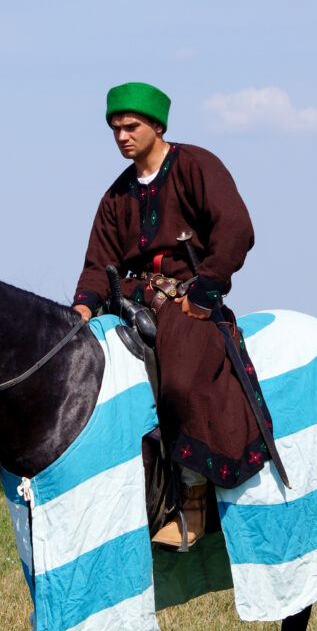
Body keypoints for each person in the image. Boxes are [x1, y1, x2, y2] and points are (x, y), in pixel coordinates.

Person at [72, 82, 271, 549]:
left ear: (157, 125)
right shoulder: (115, 197)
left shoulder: (197, 165)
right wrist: (81, 308)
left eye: (131, 126)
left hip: (188, 302)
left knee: (181, 384)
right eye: (115, 128)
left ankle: (196, 501)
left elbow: (236, 228)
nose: (122, 136)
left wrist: (207, 287)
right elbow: (98, 265)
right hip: (131, 304)